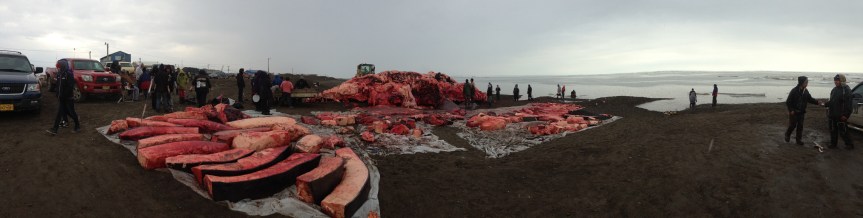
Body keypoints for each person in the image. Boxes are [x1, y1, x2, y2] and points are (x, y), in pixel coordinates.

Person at [785, 76, 823, 145]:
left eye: (807, 82)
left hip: (801, 112)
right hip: (794, 112)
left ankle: (798, 140)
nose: (807, 83)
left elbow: (810, 99)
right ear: (801, 82)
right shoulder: (794, 91)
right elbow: (788, 102)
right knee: (792, 125)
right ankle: (787, 134)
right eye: (806, 82)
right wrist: (791, 110)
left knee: (800, 126)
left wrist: (817, 102)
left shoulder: (806, 91)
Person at [47, 60, 80, 135]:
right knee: (60, 113)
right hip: (61, 98)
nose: (58, 68)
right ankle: (55, 129)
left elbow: (70, 86)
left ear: (63, 66)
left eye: (59, 66)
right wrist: (57, 94)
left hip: (68, 98)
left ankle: (77, 126)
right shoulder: (59, 74)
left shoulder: (69, 74)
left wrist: (64, 95)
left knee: (71, 112)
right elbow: (58, 85)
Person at [827, 74, 854, 149]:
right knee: (833, 130)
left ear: (842, 80)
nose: (836, 82)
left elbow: (849, 105)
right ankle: (833, 144)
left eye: (837, 80)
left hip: (841, 115)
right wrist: (825, 104)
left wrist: (846, 115)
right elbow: (831, 101)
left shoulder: (846, 90)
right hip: (832, 114)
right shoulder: (834, 90)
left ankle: (849, 144)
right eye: (835, 80)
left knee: (843, 131)